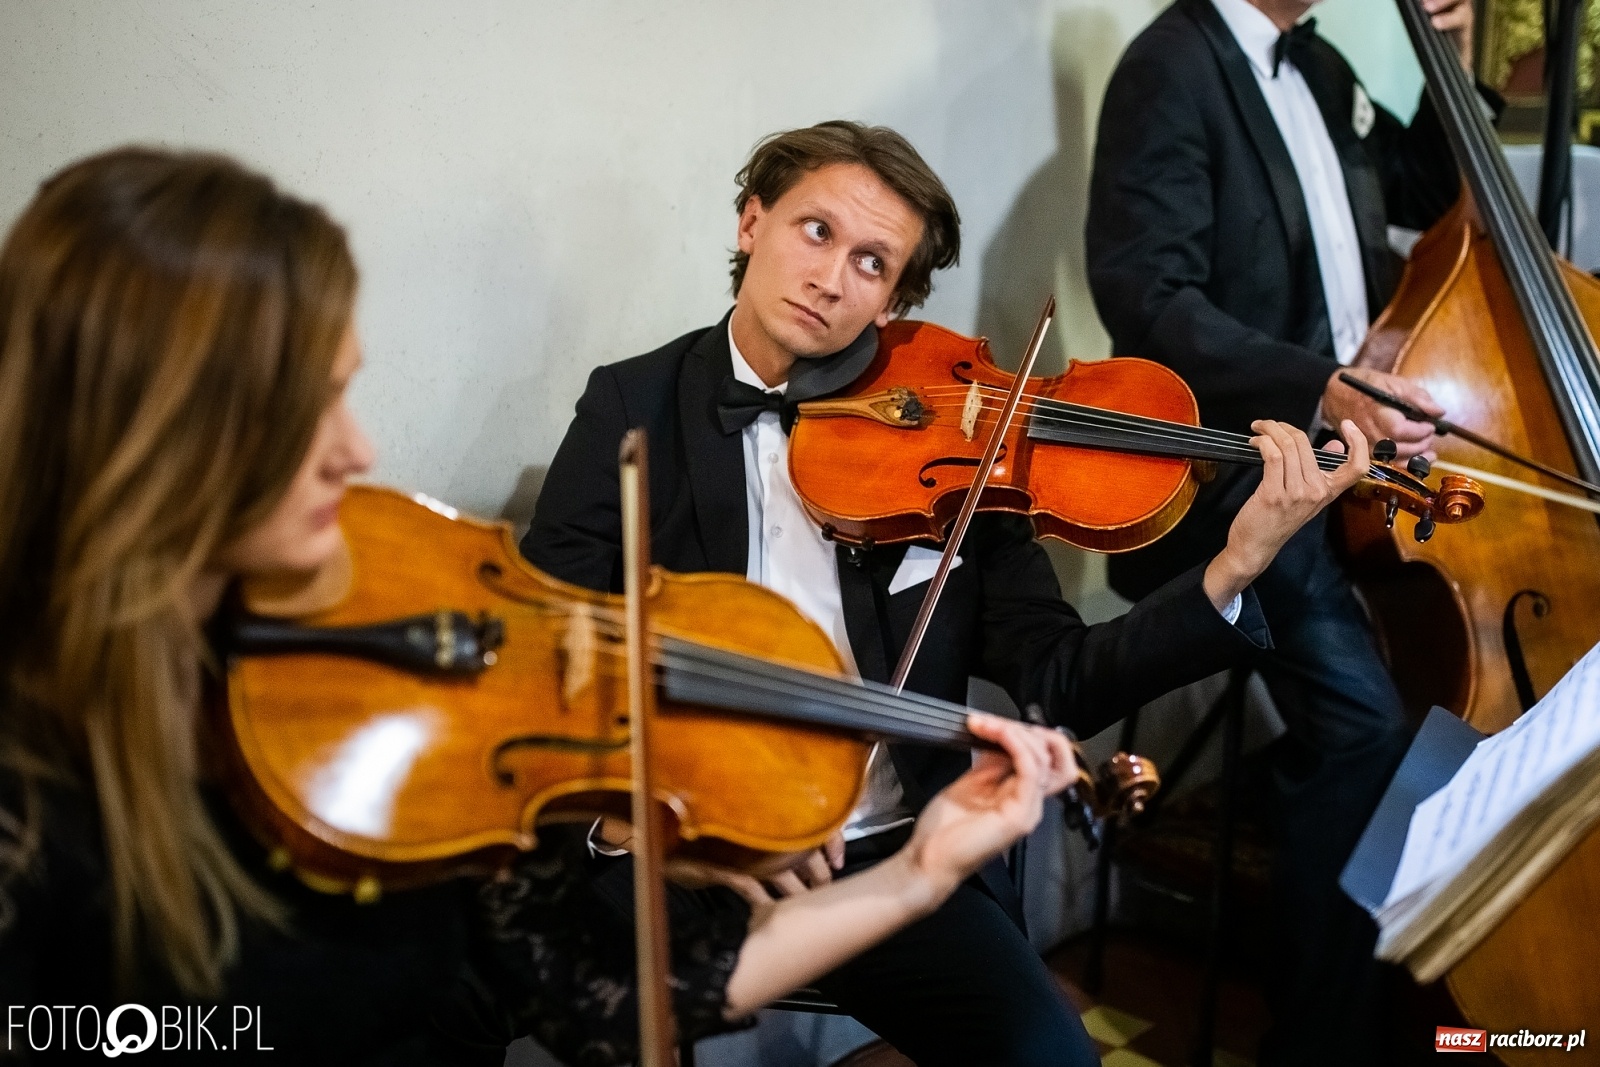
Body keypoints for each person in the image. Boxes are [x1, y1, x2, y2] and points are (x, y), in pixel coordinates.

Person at [0, 146, 1088, 1066]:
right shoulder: (42, 787)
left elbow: (597, 989)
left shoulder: (406, 707)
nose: (360, 447)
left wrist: (917, 873)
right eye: (308, 405)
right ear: (152, 429)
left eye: (871, 262)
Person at [523, 119, 1370, 1067]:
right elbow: (544, 649)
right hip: (688, 836)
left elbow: (1063, 678)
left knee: (1049, 1057)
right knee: (532, 1003)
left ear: (894, 301)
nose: (833, 276)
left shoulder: (959, 445)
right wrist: (634, 817)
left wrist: (1236, 563)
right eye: (815, 232)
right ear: (750, 222)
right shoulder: (631, 407)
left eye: (873, 262)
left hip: (886, 853)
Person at [1084, 0, 1486, 1062]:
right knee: (1363, 729)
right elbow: (1144, 292)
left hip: (1356, 462)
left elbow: (1432, 188)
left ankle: (1440, 994)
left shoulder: (1318, 63)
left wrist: (1445, 55)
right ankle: (1323, 1040)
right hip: (1239, 477)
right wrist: (1321, 387)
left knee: (1447, 693)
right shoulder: (1170, 66)